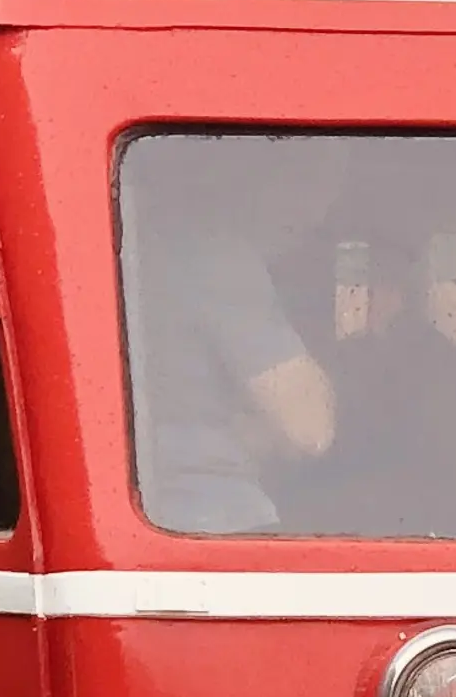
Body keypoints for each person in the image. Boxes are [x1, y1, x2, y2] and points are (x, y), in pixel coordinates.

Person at [125, 142, 340, 532]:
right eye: (308, 182)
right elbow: (310, 427)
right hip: (212, 519)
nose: (316, 211)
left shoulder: (141, 246)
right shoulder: (215, 258)